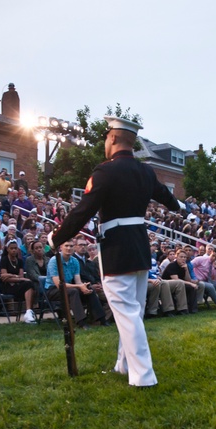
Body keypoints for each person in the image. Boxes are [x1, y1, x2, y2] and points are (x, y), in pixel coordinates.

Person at [49, 115, 182, 385]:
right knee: (132, 310)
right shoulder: (146, 172)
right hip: (140, 246)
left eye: (106, 138)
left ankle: (144, 376)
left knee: (128, 312)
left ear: (112, 138)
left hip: (117, 249)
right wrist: (181, 209)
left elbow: (82, 211)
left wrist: (56, 237)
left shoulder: (105, 172)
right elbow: (170, 200)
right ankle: (123, 365)